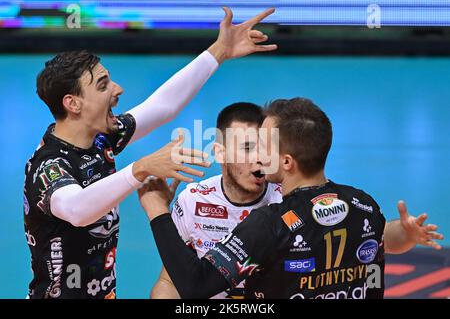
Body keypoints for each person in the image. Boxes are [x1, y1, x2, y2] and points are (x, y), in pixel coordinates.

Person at [23, 7, 278, 299]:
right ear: (74, 104)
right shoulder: (49, 165)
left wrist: (219, 51)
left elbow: (163, 106)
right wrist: (140, 169)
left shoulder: (101, 139)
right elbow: (76, 210)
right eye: (103, 85)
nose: (118, 89)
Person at [140, 98, 444, 299]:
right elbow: (377, 234)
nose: (258, 155)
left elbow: (194, 286)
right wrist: (404, 233)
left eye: (263, 144)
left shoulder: (268, 223)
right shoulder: (362, 203)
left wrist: (157, 211)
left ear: (286, 162)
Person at [151, 103, 283, 299]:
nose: (259, 158)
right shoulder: (193, 200)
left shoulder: (284, 199)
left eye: (264, 148)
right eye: (247, 148)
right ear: (220, 153)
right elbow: (169, 282)